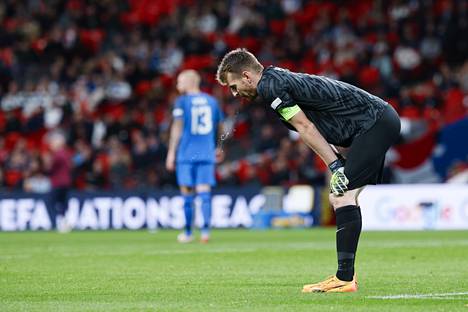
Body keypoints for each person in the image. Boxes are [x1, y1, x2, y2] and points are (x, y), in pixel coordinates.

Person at [215, 48, 401, 293]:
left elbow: (305, 126)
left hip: (374, 123)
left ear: (247, 76)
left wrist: (335, 166)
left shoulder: (272, 88)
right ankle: (346, 276)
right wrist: (339, 158)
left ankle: (344, 278)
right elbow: (326, 113)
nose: (235, 93)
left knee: (340, 195)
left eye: (234, 86)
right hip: (373, 123)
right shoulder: (275, 79)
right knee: (347, 197)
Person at [166, 69, 224, 243]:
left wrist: (171, 152)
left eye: (179, 82)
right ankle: (205, 233)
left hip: (186, 153)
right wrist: (219, 146)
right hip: (206, 153)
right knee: (205, 193)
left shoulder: (182, 101)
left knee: (187, 195)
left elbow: (177, 127)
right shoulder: (212, 101)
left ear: (190, 82)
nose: (177, 85)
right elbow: (220, 126)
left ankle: (188, 233)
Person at [43, 131, 73, 233]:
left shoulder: (57, 155)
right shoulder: (66, 153)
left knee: (50, 202)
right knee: (62, 203)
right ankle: (63, 221)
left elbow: (49, 169)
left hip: (58, 183)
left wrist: (46, 160)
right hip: (66, 183)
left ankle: (58, 221)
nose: (51, 145)